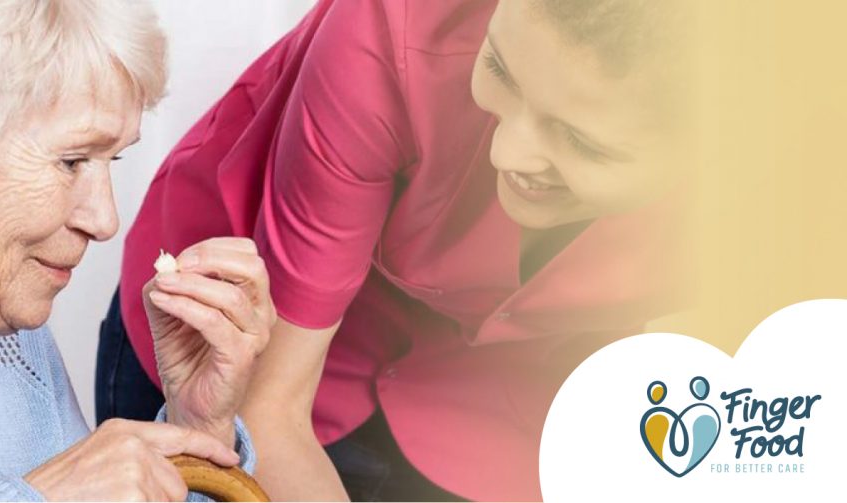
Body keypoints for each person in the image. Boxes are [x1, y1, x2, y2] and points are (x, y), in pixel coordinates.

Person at [102, 0, 690, 500]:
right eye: (500, 70)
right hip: (236, 356)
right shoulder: (389, 24)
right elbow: (269, 410)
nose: (507, 154)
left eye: (582, 142)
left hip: (489, 409)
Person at [0, 1, 274, 500]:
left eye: (112, 158)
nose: (105, 221)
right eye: (72, 160)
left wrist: (198, 434)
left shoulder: (6, 331)